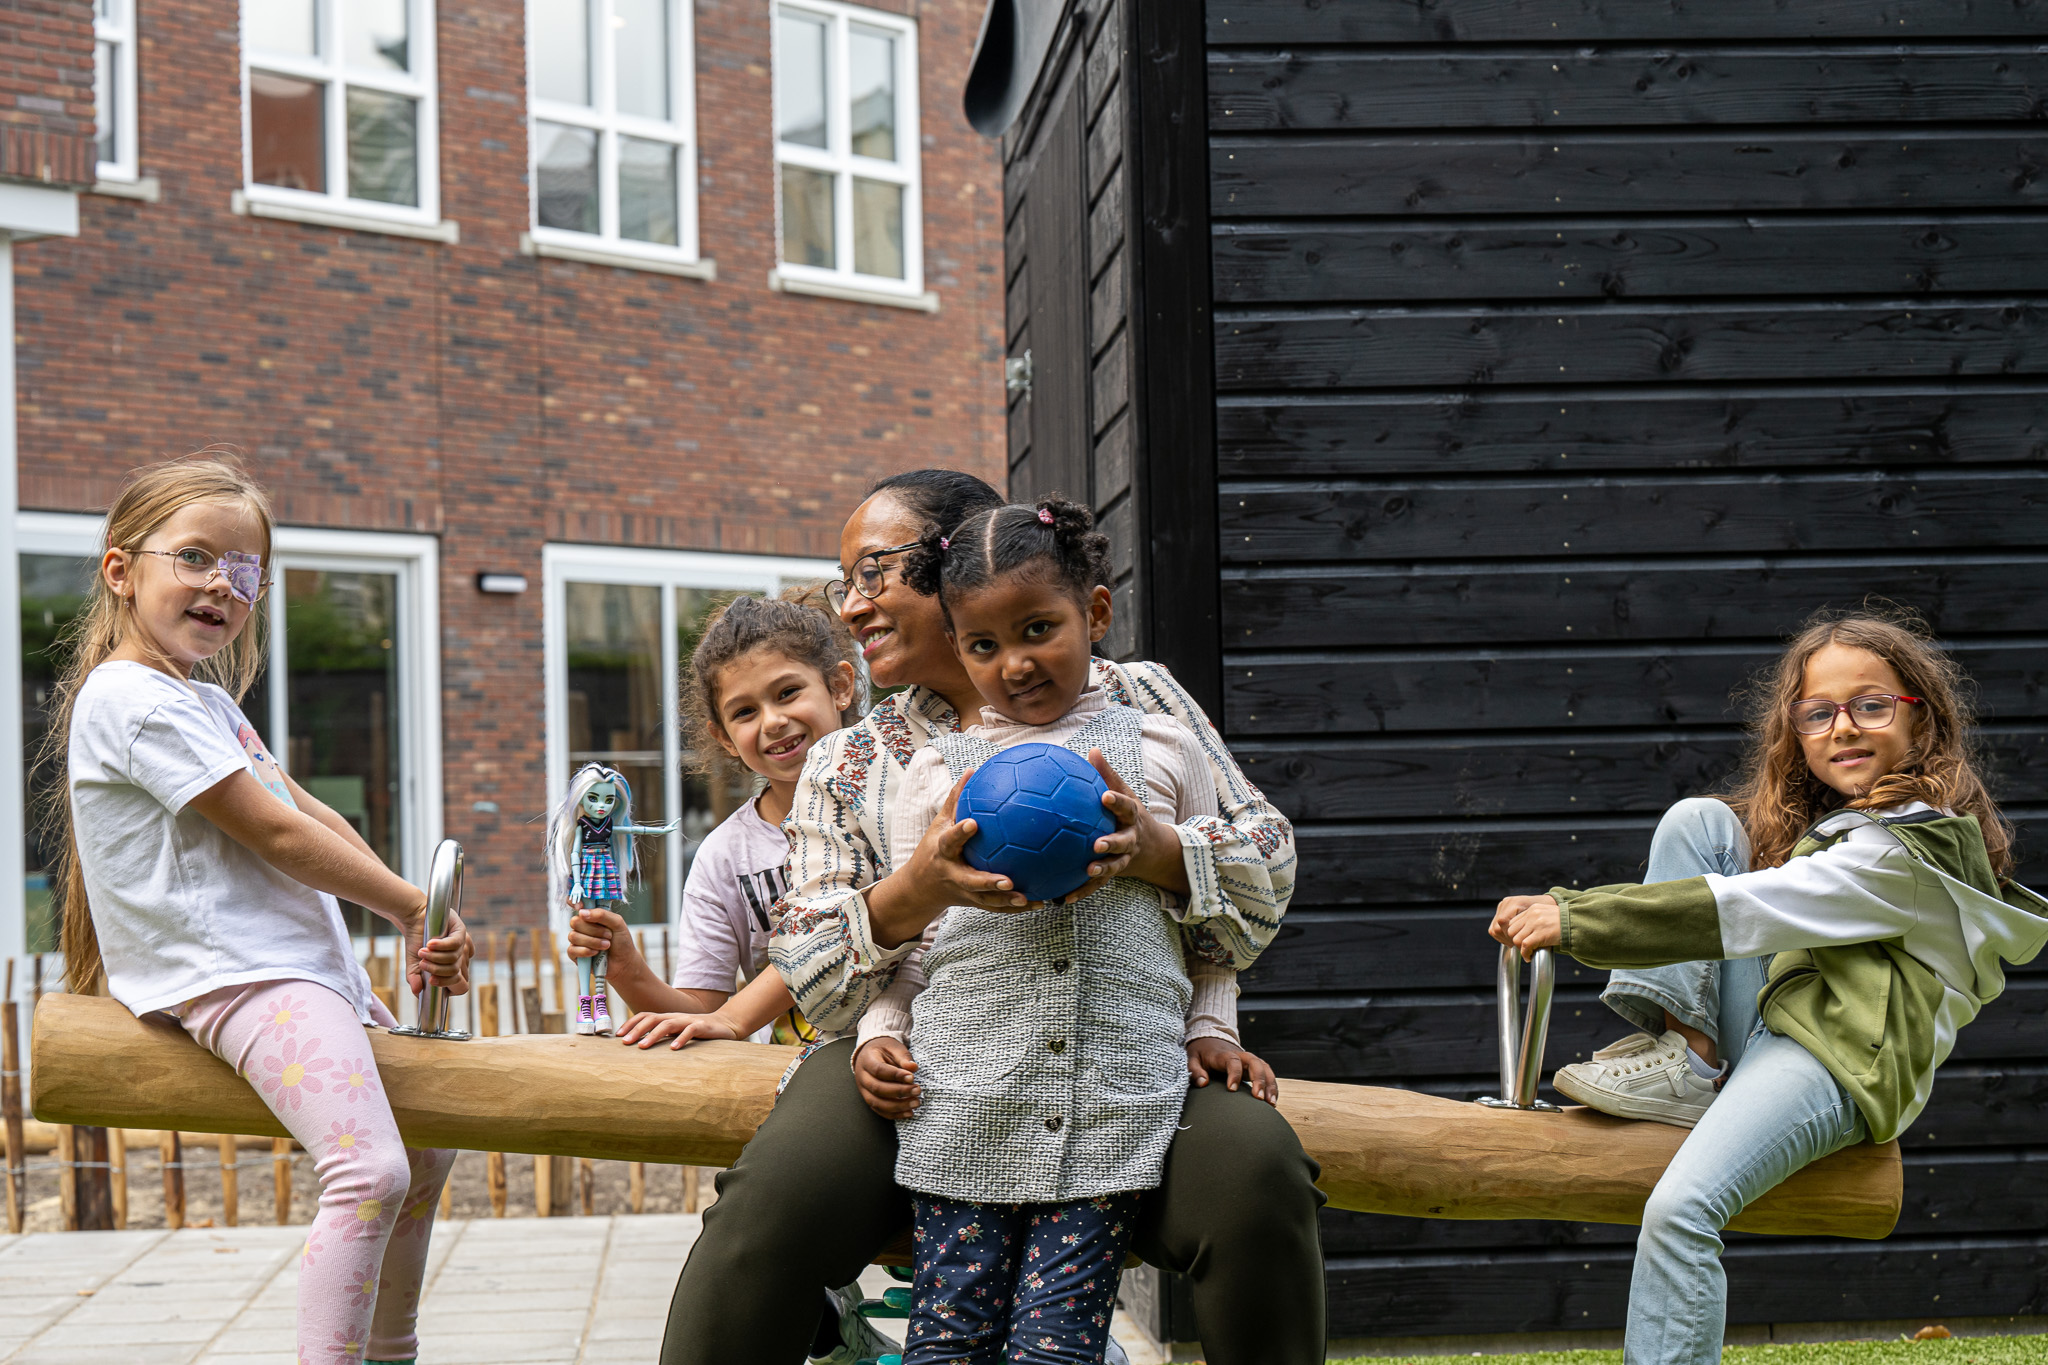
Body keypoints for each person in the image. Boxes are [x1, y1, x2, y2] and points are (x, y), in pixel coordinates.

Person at [658, 469, 1323, 1365]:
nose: (850, 607)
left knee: (1257, 1173)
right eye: (842, 582)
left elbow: (1264, 868)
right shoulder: (854, 760)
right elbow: (808, 962)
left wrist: (1161, 854)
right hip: (902, 1065)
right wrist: (916, 890)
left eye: (873, 573)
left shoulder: (1141, 702)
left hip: (1122, 1055)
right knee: (768, 1208)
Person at [1490, 609, 2048, 1365]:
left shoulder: (1902, 851)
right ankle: (1687, 1060)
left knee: (1682, 1211)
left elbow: (1742, 909)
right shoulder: (1842, 827)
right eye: (1819, 713)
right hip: (1780, 1014)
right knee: (1703, 823)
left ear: (1923, 720)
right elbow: (1743, 886)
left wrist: (1576, 915)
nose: (1843, 727)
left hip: (1838, 1057)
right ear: (1797, 731)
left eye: (1871, 704)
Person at [48, 456, 471, 1365]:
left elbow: (308, 813)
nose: (221, 586)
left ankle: (390, 1350)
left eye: (244, 573)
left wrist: (419, 904)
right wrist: (406, 907)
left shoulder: (201, 699)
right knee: (371, 1170)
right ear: (122, 570)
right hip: (236, 975)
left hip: (292, 968)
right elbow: (272, 836)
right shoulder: (128, 698)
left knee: (427, 1152)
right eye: (196, 557)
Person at [851, 495, 1259, 1364]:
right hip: (962, 1100)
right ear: (956, 648)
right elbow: (916, 941)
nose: (1016, 664)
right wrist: (879, 1032)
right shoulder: (935, 777)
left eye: (1040, 628)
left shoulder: (1159, 750)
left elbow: (1214, 922)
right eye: (985, 644)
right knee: (946, 1340)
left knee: (1057, 1347)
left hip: (1109, 1107)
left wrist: (1211, 1022)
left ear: (1097, 613)